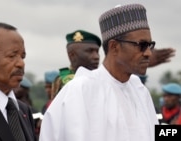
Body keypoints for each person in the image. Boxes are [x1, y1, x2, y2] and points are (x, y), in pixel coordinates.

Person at [39, 4, 159, 141]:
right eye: (142, 45)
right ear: (114, 47)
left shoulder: (140, 91)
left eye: (150, 45)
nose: (148, 53)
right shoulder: (80, 91)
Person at [50, 30, 101, 99]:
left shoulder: (102, 78)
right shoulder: (64, 80)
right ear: (72, 55)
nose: (96, 56)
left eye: (97, 52)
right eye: (90, 51)